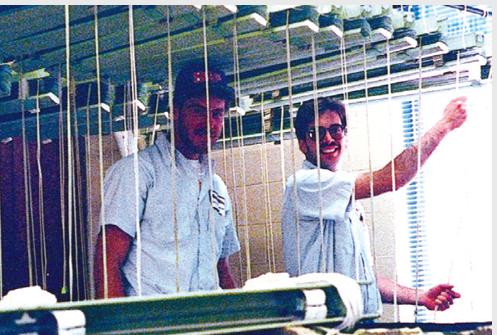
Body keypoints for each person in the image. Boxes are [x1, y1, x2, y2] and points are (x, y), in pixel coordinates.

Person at [281, 96, 465, 315]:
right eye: (316, 133)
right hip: (325, 325)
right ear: (303, 144)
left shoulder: (346, 199)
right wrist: (445, 124)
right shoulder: (303, 184)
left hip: (357, 322)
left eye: (335, 130)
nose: (328, 138)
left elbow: (363, 277)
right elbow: (394, 177)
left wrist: (420, 296)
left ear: (345, 137)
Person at [94, 60, 240, 299]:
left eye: (217, 114)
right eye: (197, 110)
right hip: (151, 324)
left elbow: (221, 269)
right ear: (175, 111)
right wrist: (119, 330)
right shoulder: (138, 172)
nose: (209, 123)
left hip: (205, 324)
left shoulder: (218, 188)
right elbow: (108, 261)